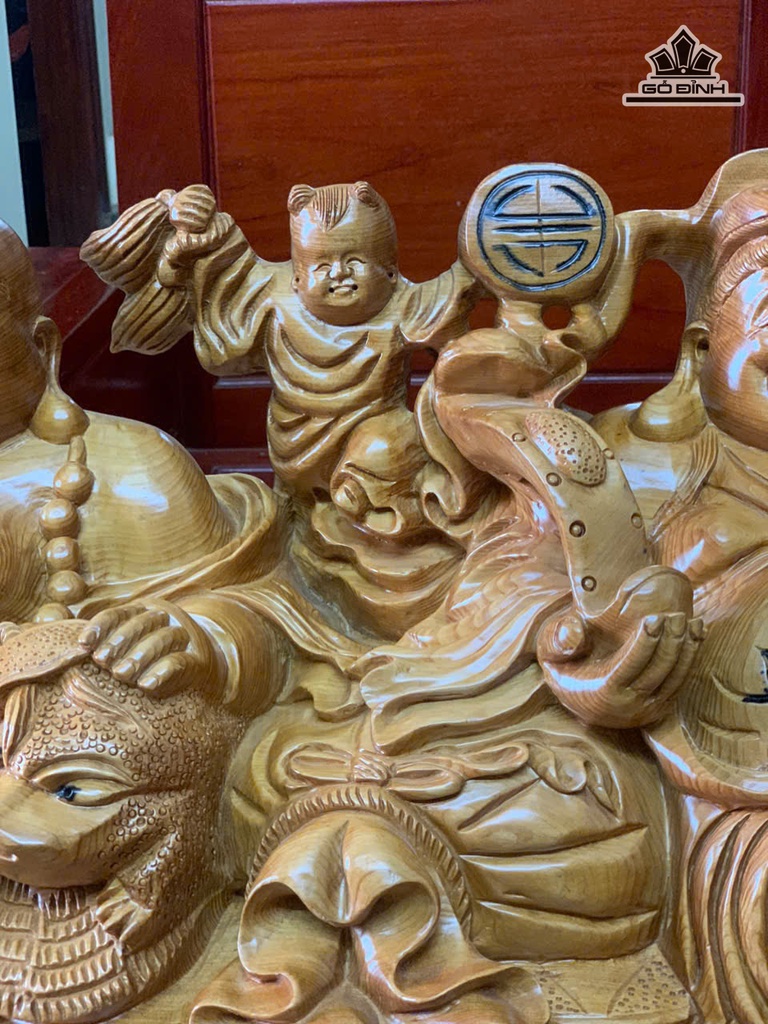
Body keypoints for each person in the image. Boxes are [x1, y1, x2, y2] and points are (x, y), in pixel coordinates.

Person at [82, 180, 482, 498]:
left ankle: (372, 518)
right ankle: (299, 513)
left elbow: (458, 287)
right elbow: (220, 294)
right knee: (294, 508)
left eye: (355, 261)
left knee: (393, 441)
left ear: (391, 272)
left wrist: (488, 241)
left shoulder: (403, 306)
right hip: (293, 449)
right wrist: (188, 236)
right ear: (296, 275)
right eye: (321, 264)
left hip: (374, 451)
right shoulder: (273, 299)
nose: (339, 274)